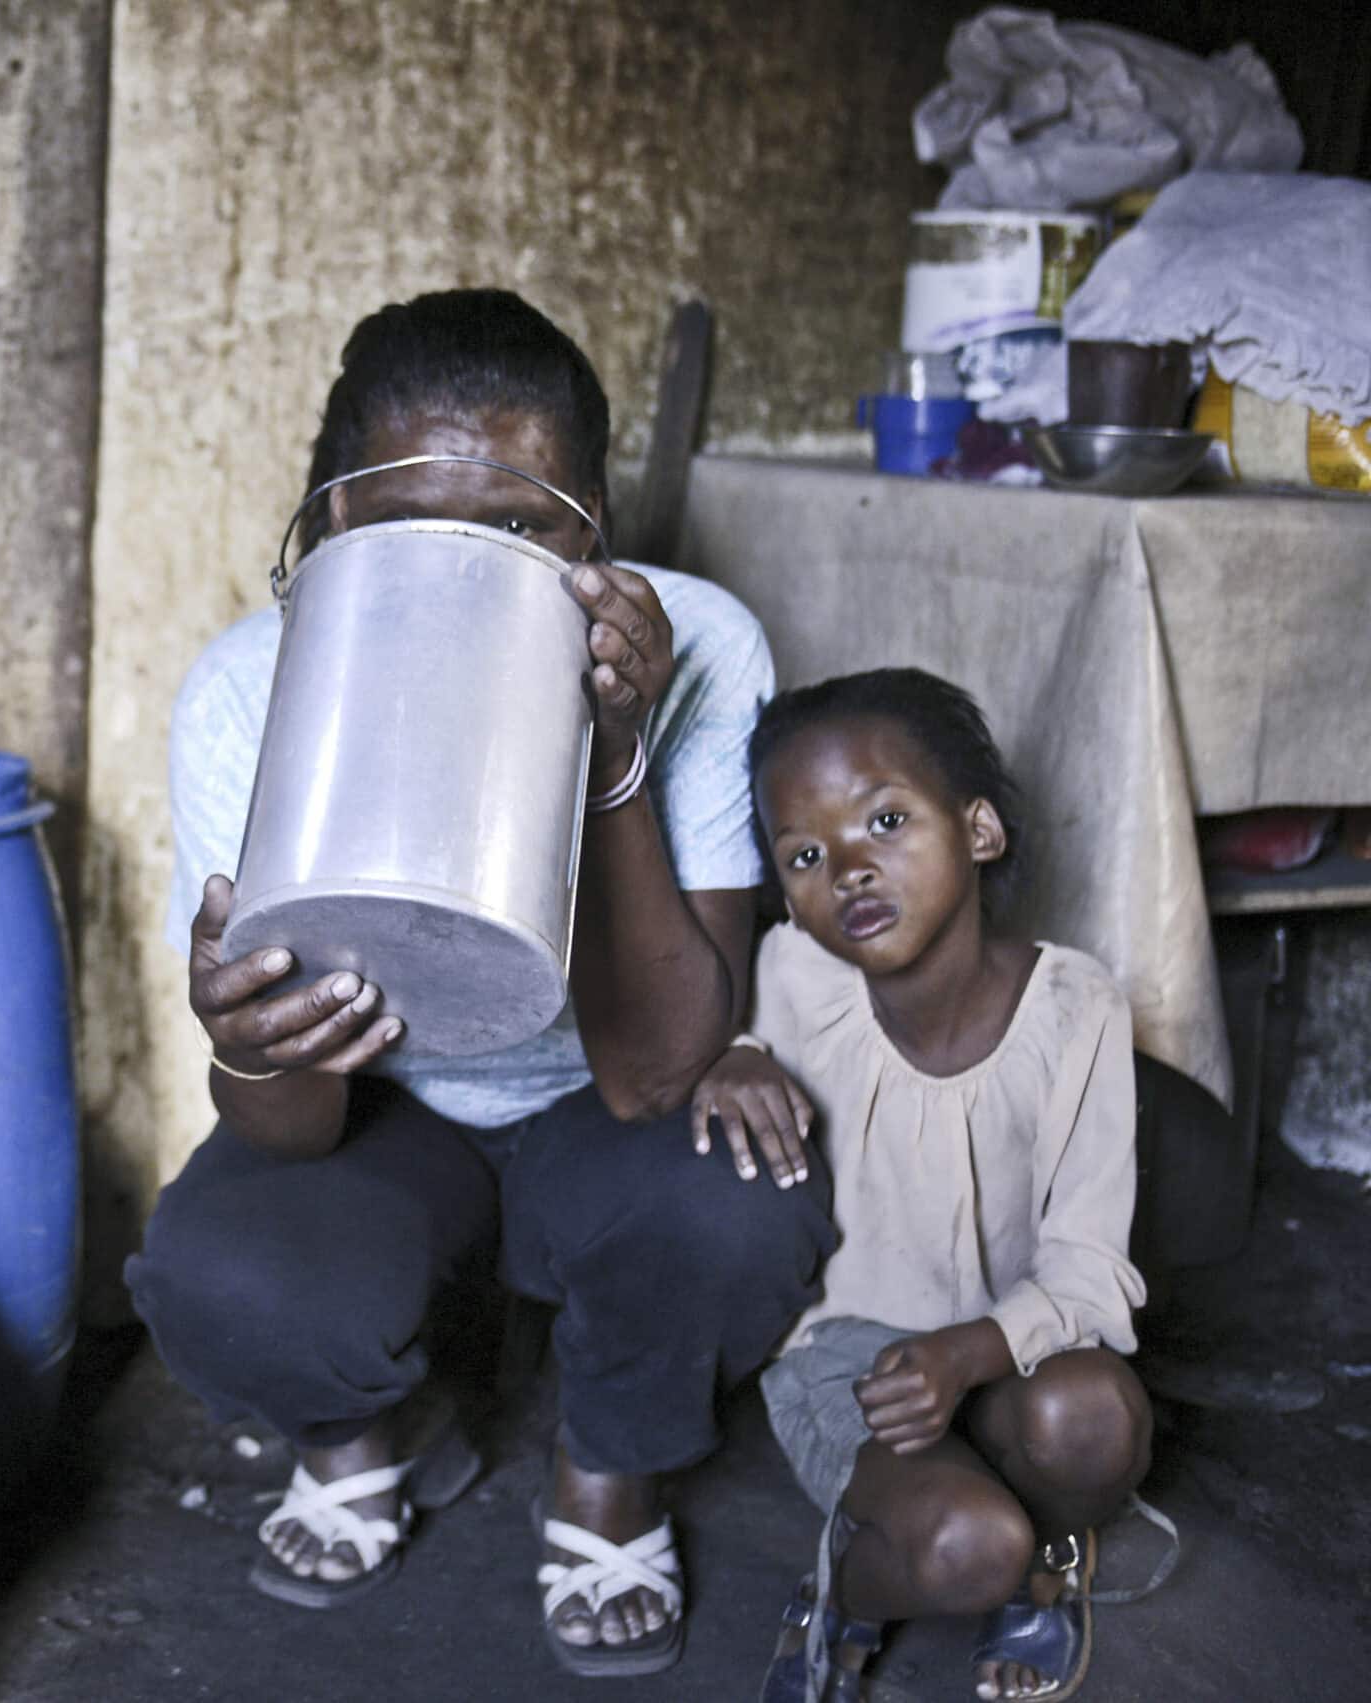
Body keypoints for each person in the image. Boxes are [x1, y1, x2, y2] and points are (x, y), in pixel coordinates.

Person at [128, 288, 834, 1676]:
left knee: (748, 1202)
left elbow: (656, 1069)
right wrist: (254, 1039)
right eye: (411, 528)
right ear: (331, 519)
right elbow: (293, 1128)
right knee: (218, 1268)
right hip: (387, 1116)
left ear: (597, 528)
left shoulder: (695, 646)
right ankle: (366, 1436)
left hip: (599, 1105)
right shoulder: (244, 692)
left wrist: (615, 742)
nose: (466, 567)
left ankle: (610, 1466)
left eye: (521, 529)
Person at [706, 669, 1154, 1703]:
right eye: (805, 855)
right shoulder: (790, 977)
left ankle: (1050, 1558)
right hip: (849, 1363)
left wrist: (968, 1352)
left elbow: (1091, 1271)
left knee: (1091, 1417)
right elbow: (694, 1035)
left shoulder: (1074, 1002)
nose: (850, 869)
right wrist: (728, 1052)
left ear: (981, 829)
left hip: (1001, 1341)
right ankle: (844, 1593)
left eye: (886, 819)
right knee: (964, 1546)